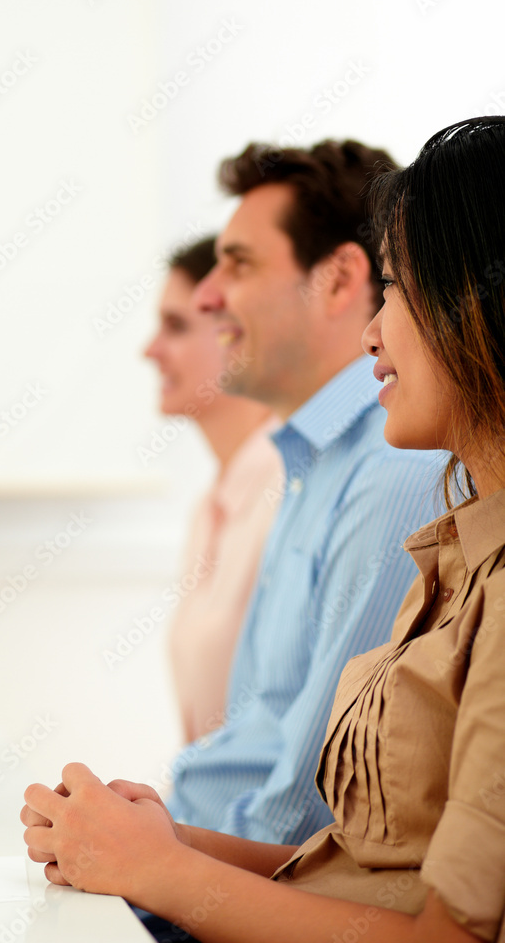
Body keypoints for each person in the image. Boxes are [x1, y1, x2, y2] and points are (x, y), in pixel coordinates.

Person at [22, 116, 505, 942]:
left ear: (480, 303)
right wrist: (160, 843)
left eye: (397, 289)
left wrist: (159, 868)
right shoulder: (458, 550)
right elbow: (354, 859)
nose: (372, 335)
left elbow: (445, 934)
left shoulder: (406, 493)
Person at [158, 138, 440, 846]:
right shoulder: (310, 459)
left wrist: (164, 861)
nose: (207, 296)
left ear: (340, 280)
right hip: (213, 860)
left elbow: (312, 803)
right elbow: (264, 728)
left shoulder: (390, 466)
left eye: (239, 264)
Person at [144, 236, 282, 744]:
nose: (149, 350)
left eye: (176, 326)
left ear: (234, 330)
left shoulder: (288, 487)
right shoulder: (210, 508)